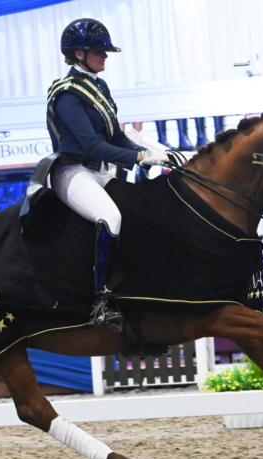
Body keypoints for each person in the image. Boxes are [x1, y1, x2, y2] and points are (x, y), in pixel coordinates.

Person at [48, 18, 178, 331]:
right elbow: (92, 145)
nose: (105, 56)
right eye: (99, 51)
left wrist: (151, 152)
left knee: (140, 212)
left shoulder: (98, 86)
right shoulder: (67, 95)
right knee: (111, 218)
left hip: (103, 172)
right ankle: (101, 300)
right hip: (74, 172)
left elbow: (115, 137)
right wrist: (138, 157)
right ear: (79, 54)